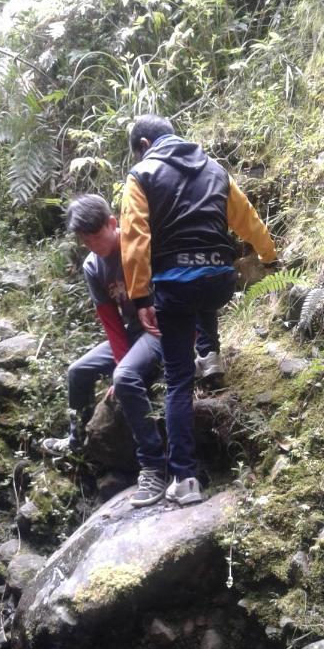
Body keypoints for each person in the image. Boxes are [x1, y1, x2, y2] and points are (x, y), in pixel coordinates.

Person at [120, 115, 278, 506]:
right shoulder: (216, 170)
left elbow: (135, 240)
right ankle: (209, 355)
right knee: (202, 285)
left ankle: (185, 478)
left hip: (174, 287)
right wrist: (269, 257)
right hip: (220, 281)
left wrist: (141, 298)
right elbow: (248, 218)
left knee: (176, 380)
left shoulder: (142, 174)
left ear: (143, 143)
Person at [41, 194, 167, 508]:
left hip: (158, 329)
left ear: (113, 223)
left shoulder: (139, 243)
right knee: (77, 372)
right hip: (130, 333)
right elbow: (111, 321)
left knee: (125, 378)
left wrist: (123, 370)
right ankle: (76, 440)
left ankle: (154, 465)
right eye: (86, 240)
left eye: (97, 236)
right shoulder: (93, 266)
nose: (93, 244)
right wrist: (121, 361)